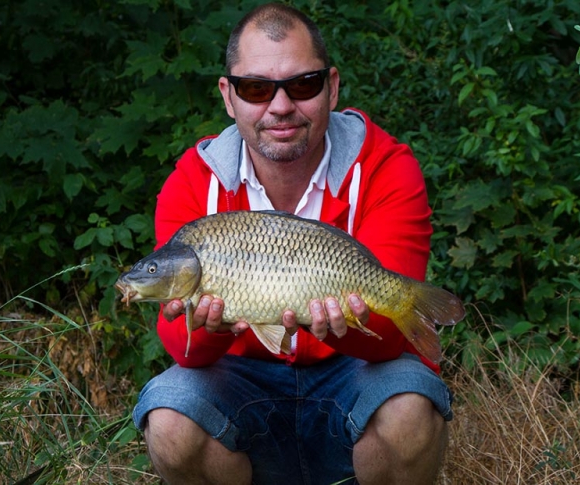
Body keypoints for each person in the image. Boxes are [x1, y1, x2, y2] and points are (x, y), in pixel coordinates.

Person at [132, 3, 453, 484]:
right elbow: (185, 352)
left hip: (355, 375)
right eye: (256, 88)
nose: (280, 106)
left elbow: (393, 341)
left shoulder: (386, 168)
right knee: (169, 415)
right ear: (228, 96)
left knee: (409, 406)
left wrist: (345, 326)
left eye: (302, 85)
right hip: (241, 386)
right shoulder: (193, 182)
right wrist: (212, 328)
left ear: (332, 87)